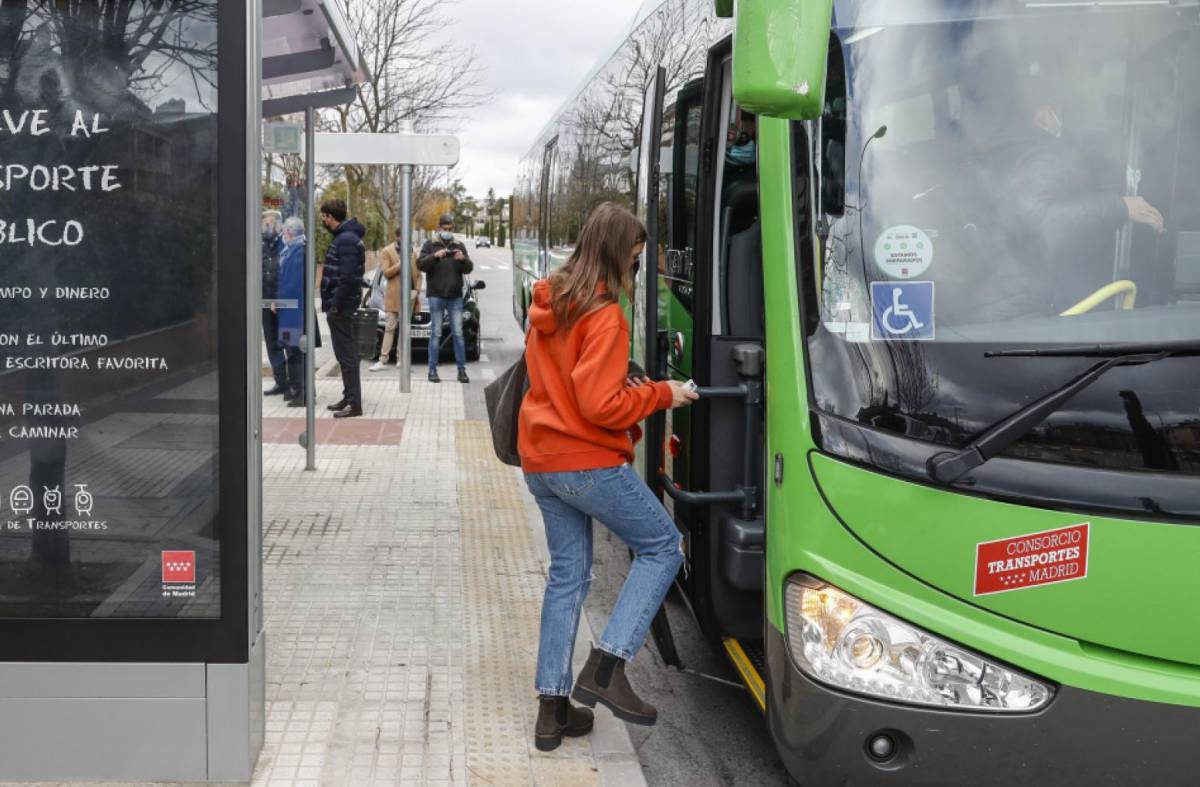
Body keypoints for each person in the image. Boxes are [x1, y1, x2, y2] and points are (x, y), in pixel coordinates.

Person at [518, 202, 699, 751]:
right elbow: (600, 405)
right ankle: (608, 665)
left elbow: (559, 381)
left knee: (567, 577)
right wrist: (665, 392)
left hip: (541, 460)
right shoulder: (605, 314)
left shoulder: (552, 299)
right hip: (585, 461)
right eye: (637, 259)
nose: (637, 269)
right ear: (618, 254)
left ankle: (552, 712)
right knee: (664, 546)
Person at [319, 198, 367, 418]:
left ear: (331, 216)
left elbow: (347, 278)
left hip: (342, 306)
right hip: (341, 305)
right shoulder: (345, 237)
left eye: (324, 216)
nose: (323, 220)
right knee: (343, 354)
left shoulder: (346, 240)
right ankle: (348, 397)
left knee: (347, 355)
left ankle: (354, 404)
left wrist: (336, 305)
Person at [417, 213, 473, 383]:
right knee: (436, 334)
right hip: (436, 296)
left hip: (455, 297)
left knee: (458, 334)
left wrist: (463, 260)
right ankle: (432, 371)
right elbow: (421, 265)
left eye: (450, 229)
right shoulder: (430, 244)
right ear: (439, 228)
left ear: (452, 229)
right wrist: (435, 256)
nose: (447, 231)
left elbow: (469, 269)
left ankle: (461, 371)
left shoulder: (459, 245)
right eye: (444, 229)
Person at [369, 227, 423, 372]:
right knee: (390, 327)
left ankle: (401, 360)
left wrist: (416, 291)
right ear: (397, 237)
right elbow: (386, 273)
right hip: (393, 296)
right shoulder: (387, 251)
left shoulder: (412, 252)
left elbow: (419, 275)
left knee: (405, 329)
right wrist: (400, 264)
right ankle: (383, 359)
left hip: (409, 297)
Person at [277, 216, 309, 406]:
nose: (282, 235)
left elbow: (292, 284)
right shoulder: (293, 250)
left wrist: (279, 299)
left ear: (289, 233)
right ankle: (295, 388)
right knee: (291, 351)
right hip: (290, 311)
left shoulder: (298, 252)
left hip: (293, 313)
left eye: (284, 232)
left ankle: (300, 392)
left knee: (295, 352)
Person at [261, 212, 289, 396]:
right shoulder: (262, 247)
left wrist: (279, 299)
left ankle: (295, 383)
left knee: (288, 343)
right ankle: (281, 382)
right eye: (264, 225)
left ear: (278, 225)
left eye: (269, 224)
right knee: (271, 344)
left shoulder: (286, 245)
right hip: (265, 302)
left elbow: (288, 275)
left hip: (283, 304)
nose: (266, 228)